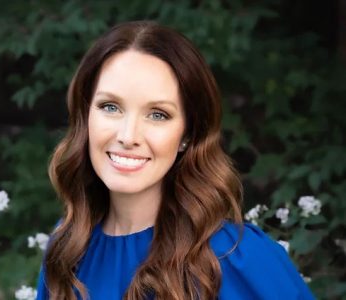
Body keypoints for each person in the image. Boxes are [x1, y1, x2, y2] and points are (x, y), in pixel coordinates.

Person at [36, 21, 315, 300]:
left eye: (158, 114)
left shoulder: (237, 256)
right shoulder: (68, 249)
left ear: (188, 134)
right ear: (86, 117)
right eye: (111, 107)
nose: (128, 135)